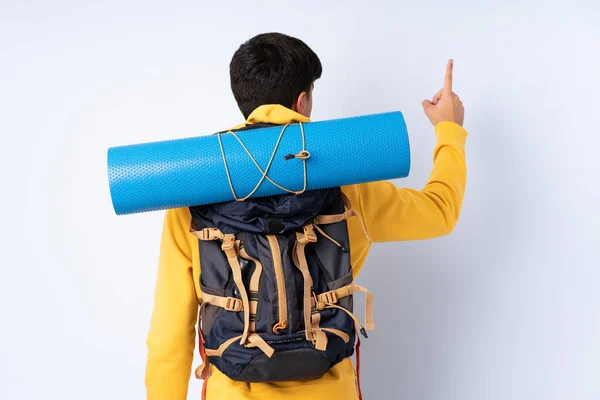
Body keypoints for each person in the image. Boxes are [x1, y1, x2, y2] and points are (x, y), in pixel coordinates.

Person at [145, 32, 467, 400]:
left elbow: (169, 335)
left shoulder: (194, 190)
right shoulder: (348, 183)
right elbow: (441, 211)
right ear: (302, 100)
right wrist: (449, 130)